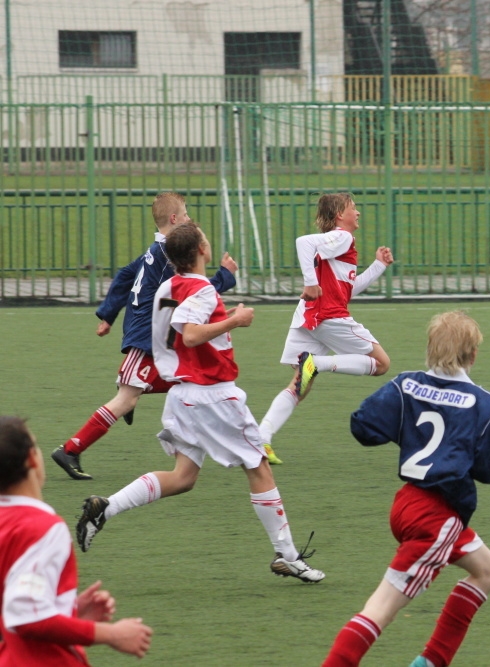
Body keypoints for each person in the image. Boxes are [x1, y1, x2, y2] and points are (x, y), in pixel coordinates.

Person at [75, 222, 324, 584]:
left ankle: (105, 508)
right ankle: (286, 556)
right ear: (201, 250)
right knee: (258, 467)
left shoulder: (168, 286)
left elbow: (175, 328)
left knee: (183, 478)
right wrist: (236, 320)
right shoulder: (204, 290)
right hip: (212, 394)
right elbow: (189, 334)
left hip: (182, 395)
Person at [322, 311, 490, 667]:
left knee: (486, 568)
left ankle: (431, 661)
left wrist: (409, 429)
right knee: (381, 609)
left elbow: (363, 427)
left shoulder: (405, 384)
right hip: (438, 517)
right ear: (473, 355)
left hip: (406, 504)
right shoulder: (485, 404)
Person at [50, 191, 254, 481]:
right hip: (148, 336)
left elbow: (124, 275)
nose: (189, 219)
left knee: (186, 380)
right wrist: (225, 276)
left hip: (155, 335)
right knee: (126, 399)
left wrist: (108, 313)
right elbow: (196, 288)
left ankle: (241, 444)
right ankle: (70, 449)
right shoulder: (167, 256)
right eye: (185, 215)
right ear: (174, 219)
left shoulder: (154, 250)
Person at [0, 415, 153, 665]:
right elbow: (26, 617)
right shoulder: (42, 528)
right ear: (32, 460)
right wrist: (110, 634)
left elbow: (12, 609)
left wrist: (68, 611)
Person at [257, 192, 393, 465]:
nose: (358, 212)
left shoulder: (335, 245)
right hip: (328, 316)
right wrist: (309, 281)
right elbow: (302, 242)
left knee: (300, 385)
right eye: (353, 207)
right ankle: (317, 362)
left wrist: (378, 265)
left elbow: (347, 290)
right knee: (381, 364)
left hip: (308, 316)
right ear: (339, 215)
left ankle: (262, 437)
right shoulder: (343, 237)